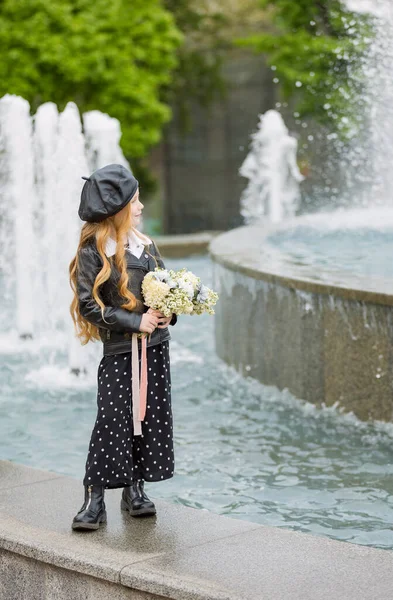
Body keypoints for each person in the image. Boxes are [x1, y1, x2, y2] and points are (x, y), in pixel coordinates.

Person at [69, 163, 177, 531]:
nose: (142, 206)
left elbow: (168, 288)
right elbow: (89, 305)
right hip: (119, 352)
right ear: (117, 209)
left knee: (146, 419)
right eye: (135, 200)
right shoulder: (93, 251)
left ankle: (135, 490)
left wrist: (166, 314)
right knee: (111, 421)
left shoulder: (146, 245)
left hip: (155, 349)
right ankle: (94, 498)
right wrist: (135, 321)